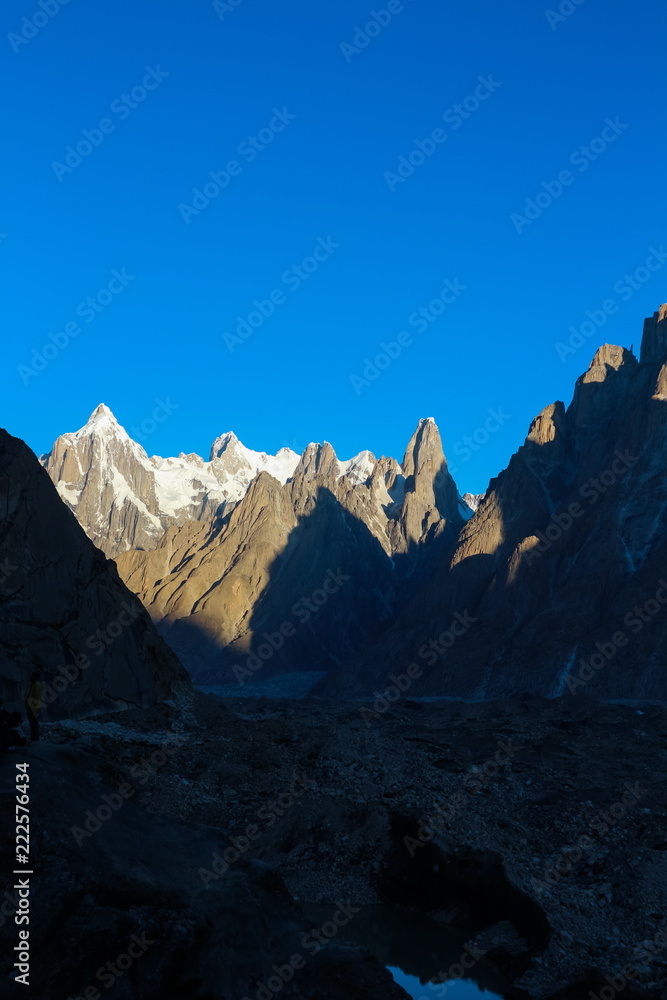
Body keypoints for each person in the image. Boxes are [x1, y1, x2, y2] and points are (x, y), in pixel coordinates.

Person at [25, 672, 42, 743]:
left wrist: (34, 708)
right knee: (32, 722)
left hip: (34, 707)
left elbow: (37, 697)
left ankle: (35, 738)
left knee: (34, 722)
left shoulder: (36, 685)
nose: (30, 677)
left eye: (32, 676)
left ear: (35, 677)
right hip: (32, 706)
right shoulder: (34, 684)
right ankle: (33, 737)